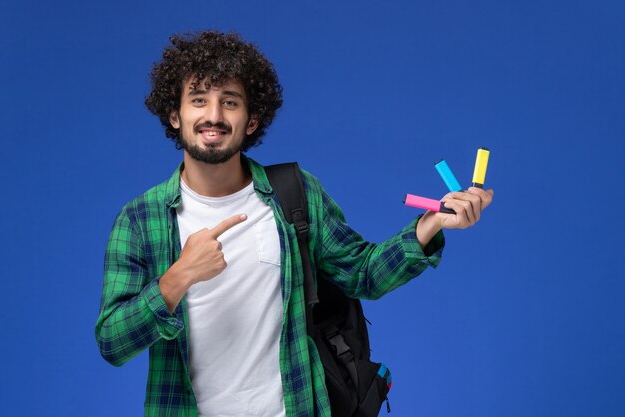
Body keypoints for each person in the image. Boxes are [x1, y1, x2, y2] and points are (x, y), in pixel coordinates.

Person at [95, 30, 494, 417]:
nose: (213, 115)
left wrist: (429, 225)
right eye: (198, 100)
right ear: (175, 115)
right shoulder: (139, 220)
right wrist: (177, 277)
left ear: (252, 120)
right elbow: (112, 341)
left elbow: (363, 275)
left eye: (230, 102)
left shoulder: (295, 194)